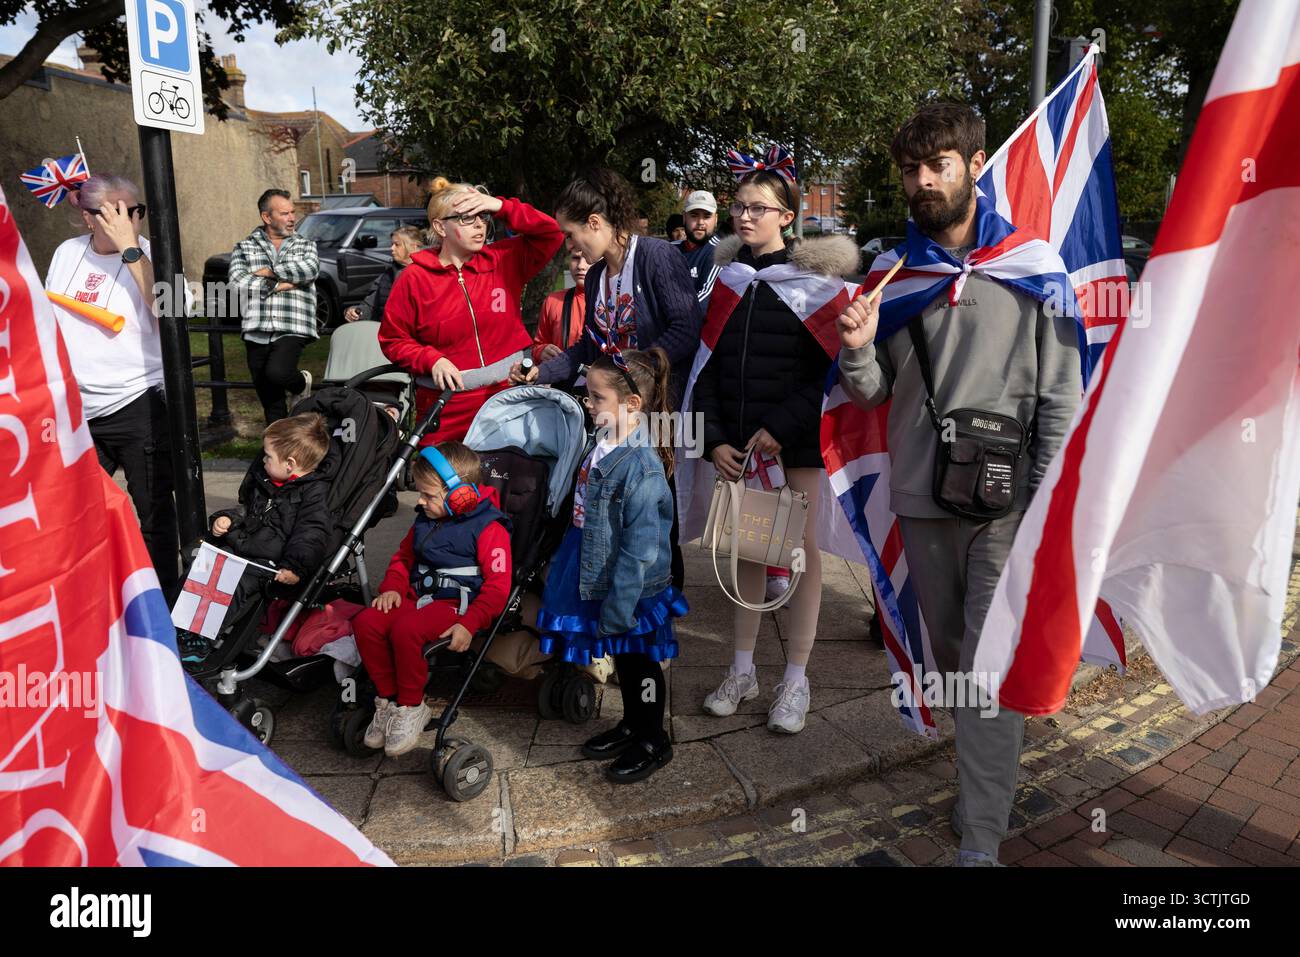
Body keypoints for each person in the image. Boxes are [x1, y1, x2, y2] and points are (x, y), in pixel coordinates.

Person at [835, 103, 1084, 865]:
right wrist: (855, 348)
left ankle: (980, 837)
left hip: (1006, 507)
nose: (923, 181)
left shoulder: (1033, 265)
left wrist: (1038, 502)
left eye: (938, 164)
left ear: (974, 166)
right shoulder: (893, 276)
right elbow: (873, 394)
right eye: (911, 168)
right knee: (949, 663)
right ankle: (978, 787)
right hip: (922, 498)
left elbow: (1060, 397)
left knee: (987, 666)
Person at [694, 150, 859, 734]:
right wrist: (714, 438)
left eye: (757, 208)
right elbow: (706, 368)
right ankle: (742, 670)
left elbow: (831, 373)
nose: (743, 217)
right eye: (737, 207)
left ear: (787, 216)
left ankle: (796, 679)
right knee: (749, 553)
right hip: (740, 445)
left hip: (795, 444)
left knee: (801, 553)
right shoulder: (729, 279)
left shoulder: (816, 286)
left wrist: (782, 428)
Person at [509, 168, 701, 590]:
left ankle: (662, 600)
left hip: (659, 409)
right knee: (623, 503)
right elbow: (587, 348)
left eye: (571, 233)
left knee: (654, 505)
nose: (569, 245)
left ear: (595, 223)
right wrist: (542, 372)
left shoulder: (655, 256)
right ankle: (624, 592)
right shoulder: (596, 276)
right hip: (617, 410)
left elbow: (687, 330)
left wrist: (636, 369)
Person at [536, 347, 686, 783]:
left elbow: (640, 550)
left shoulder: (641, 467)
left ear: (631, 405)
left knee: (640, 661)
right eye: (589, 396)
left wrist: (621, 606)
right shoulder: (604, 440)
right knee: (624, 657)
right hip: (594, 561)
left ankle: (653, 738)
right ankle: (631, 725)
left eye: (596, 398)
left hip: (631, 584)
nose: (588, 404)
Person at [44, 173, 179, 595]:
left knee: (154, 512)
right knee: (72, 511)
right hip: (78, 409)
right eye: (115, 212)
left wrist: (129, 248)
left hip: (137, 404)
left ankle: (163, 602)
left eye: (134, 211)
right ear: (87, 218)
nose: (129, 219)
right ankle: (87, 598)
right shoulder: (67, 253)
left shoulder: (154, 256)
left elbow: (169, 311)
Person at [352, 442, 512, 756]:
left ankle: (412, 706)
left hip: (458, 605)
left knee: (406, 630)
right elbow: (402, 558)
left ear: (459, 495)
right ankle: (388, 700)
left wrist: (470, 624)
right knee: (367, 621)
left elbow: (497, 589)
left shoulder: (490, 528)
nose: (420, 501)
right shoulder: (426, 519)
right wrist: (393, 588)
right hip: (417, 596)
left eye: (428, 495)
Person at [379, 178, 564, 444]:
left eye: (483, 216)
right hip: (447, 405)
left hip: (509, 395)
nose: (480, 225)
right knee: (446, 483)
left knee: (508, 482)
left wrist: (500, 206)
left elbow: (551, 233)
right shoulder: (414, 278)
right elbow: (393, 339)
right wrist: (431, 359)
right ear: (440, 226)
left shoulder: (503, 259)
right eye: (466, 218)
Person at [181, 412, 334, 661]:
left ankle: (201, 637)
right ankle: (184, 625)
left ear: (290, 464)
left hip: (271, 562)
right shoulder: (266, 481)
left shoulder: (313, 495)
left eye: (267, 456)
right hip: (245, 547)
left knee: (233, 583)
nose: (262, 460)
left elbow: (311, 533)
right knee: (203, 565)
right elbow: (248, 512)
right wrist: (227, 518)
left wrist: (294, 566)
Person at [229, 188, 320, 424]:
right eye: (284, 213)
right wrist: (282, 285)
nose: (292, 218)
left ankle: (300, 383)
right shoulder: (244, 247)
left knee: (278, 372)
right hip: (256, 326)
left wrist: (270, 272)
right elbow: (237, 283)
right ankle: (276, 451)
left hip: (293, 323)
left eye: (292, 212)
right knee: (270, 401)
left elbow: (309, 270)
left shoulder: (305, 245)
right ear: (267, 217)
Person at [343, 225, 425, 323]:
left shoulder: (428, 275)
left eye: (397, 244)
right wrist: (356, 312)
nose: (392, 248)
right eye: (392, 244)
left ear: (413, 246)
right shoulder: (387, 276)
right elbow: (370, 307)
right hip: (387, 334)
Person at [530, 246, 589, 363]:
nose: (580, 266)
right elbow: (537, 346)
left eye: (587, 259)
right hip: (563, 378)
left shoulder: (614, 300)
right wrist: (542, 351)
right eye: (575, 258)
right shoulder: (553, 301)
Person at [672, 190, 722, 308]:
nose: (700, 222)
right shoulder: (669, 249)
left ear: (715, 219)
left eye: (707, 216)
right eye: (694, 216)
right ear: (684, 217)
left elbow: (704, 299)